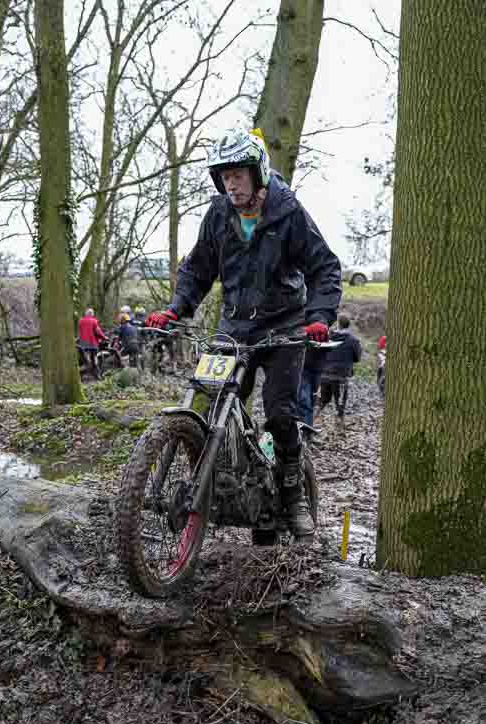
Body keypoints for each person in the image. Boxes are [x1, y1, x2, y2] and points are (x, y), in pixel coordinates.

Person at [145, 127, 341, 541]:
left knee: (279, 412)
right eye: (224, 176)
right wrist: (175, 308)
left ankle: (292, 495)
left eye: (237, 174)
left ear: (258, 173)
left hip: (284, 327)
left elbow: (325, 268)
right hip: (234, 327)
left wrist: (319, 316)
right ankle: (220, 476)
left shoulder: (288, 212)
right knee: (208, 397)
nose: (230, 183)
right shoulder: (218, 215)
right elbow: (197, 269)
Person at [313, 314, 362, 427]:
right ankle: (339, 425)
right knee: (340, 403)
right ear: (348, 325)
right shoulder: (353, 341)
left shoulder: (328, 337)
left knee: (322, 400)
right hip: (341, 376)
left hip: (325, 374)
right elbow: (357, 358)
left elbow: (320, 352)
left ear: (338, 324)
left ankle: (313, 418)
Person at [77, 308, 107, 379]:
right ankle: (98, 375)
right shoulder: (94, 321)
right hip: (92, 344)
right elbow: (98, 332)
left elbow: (80, 332)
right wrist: (104, 337)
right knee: (95, 359)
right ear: (92, 314)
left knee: (85, 360)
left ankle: (84, 374)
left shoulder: (80, 321)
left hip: (83, 345)